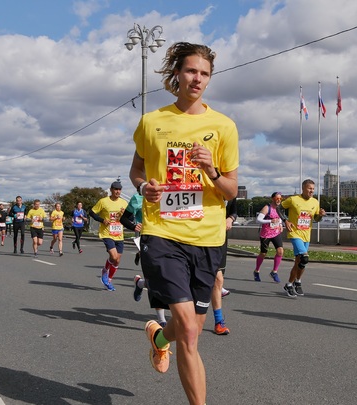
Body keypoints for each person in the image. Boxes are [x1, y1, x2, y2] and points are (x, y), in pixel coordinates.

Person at [129, 42, 239, 405]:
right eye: (191, 71)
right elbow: (137, 171)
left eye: (204, 73)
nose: (197, 79)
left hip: (207, 238)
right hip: (162, 233)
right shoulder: (152, 122)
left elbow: (230, 191)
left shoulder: (223, 126)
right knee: (190, 332)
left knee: (190, 328)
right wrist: (146, 187)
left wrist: (212, 169)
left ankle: (159, 338)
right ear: (177, 73)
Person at [129, 192, 169, 327]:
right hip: (149, 238)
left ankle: (140, 283)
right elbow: (125, 218)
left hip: (170, 238)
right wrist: (134, 225)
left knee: (168, 278)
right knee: (157, 277)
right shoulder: (137, 198)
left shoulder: (171, 193)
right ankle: (162, 319)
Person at [281, 179, 326, 297]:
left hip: (307, 235)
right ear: (303, 188)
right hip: (295, 233)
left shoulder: (315, 202)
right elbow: (279, 208)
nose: (311, 191)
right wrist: (286, 221)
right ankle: (297, 282)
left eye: (313, 189)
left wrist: (320, 216)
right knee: (304, 258)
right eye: (309, 188)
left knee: (299, 262)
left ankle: (291, 284)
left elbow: (316, 219)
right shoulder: (293, 199)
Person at [89, 181, 129, 291]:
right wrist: (102, 220)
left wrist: (126, 216)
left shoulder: (124, 203)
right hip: (107, 233)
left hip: (119, 234)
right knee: (114, 256)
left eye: (119, 189)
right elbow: (91, 212)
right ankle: (105, 271)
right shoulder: (103, 201)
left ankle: (109, 280)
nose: (118, 191)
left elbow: (128, 217)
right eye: (115, 189)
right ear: (111, 190)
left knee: (117, 260)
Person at [212, 197, 237, 335]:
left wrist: (230, 219)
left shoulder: (227, 187)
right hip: (195, 236)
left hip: (218, 237)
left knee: (218, 279)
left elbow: (234, 211)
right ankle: (143, 283)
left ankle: (219, 321)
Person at [253, 192, 287, 282]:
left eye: (280, 199)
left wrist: (280, 225)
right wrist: (270, 221)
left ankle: (274, 272)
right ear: (273, 199)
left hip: (276, 232)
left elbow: (279, 218)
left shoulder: (280, 209)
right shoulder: (267, 208)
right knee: (263, 253)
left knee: (280, 251)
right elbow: (258, 220)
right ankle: (256, 271)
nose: (279, 200)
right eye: (277, 198)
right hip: (266, 234)